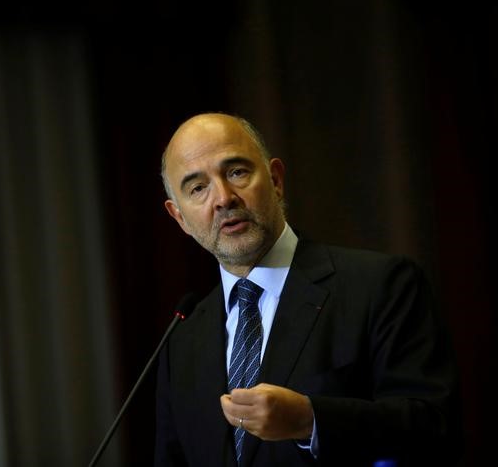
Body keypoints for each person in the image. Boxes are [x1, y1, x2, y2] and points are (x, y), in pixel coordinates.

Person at [155, 112, 461, 466]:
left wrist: (310, 420)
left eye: (237, 172)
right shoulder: (181, 340)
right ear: (179, 218)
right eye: (198, 188)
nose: (223, 198)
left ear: (275, 179)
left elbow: (436, 430)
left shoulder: (381, 285)